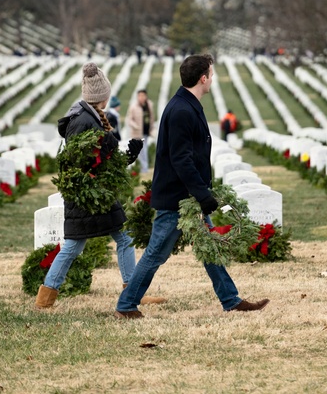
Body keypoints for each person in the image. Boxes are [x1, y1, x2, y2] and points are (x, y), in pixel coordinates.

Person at [115, 54, 269, 319]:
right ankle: (126, 305)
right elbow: (181, 159)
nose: (213, 79)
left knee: (209, 248)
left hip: (188, 197)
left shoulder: (187, 105)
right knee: (156, 254)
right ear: (203, 78)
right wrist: (201, 193)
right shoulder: (182, 110)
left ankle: (230, 299)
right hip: (178, 199)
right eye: (212, 73)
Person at [36, 63, 163, 309]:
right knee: (76, 245)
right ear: (101, 97)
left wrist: (128, 156)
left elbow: (102, 161)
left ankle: (131, 292)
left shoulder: (90, 118)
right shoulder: (83, 121)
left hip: (97, 192)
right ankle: (45, 297)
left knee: (120, 238)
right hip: (88, 194)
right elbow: (81, 161)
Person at [125, 89, 155, 173]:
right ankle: (143, 168)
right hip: (137, 133)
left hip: (146, 132)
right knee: (142, 151)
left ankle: (144, 168)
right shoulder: (133, 107)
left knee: (144, 150)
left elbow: (151, 118)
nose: (141, 97)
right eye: (140, 96)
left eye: (143, 95)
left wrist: (152, 128)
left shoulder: (149, 105)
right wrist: (135, 126)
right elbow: (129, 119)